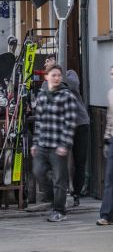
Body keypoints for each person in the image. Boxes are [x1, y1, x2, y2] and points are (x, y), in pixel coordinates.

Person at [31, 64, 79, 222]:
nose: (57, 78)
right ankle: (54, 201)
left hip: (58, 145)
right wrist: (35, 143)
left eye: (59, 75)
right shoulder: (42, 96)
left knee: (60, 178)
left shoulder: (67, 96)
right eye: (54, 75)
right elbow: (39, 122)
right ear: (46, 77)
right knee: (38, 172)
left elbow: (70, 122)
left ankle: (60, 209)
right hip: (43, 143)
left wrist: (64, 145)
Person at [64, 69, 91, 207]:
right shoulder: (48, 80)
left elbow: (74, 84)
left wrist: (58, 75)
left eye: (48, 60)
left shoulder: (69, 73)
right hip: (63, 125)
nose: (46, 63)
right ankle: (63, 191)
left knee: (79, 161)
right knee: (60, 159)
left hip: (80, 122)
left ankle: (76, 193)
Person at [98, 65, 113, 226]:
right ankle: (106, 215)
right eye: (111, 74)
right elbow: (110, 119)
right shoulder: (111, 94)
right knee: (109, 179)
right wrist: (107, 139)